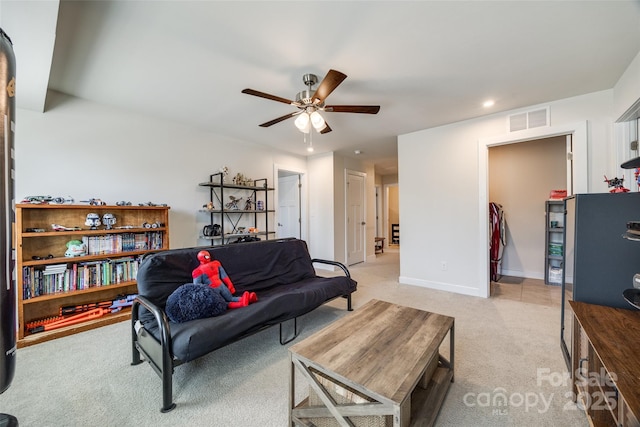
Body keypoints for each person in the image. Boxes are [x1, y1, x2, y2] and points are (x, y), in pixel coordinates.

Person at [192, 250, 257, 308]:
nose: (208, 258)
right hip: (212, 290)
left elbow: (224, 275)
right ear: (201, 258)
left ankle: (249, 298)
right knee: (222, 303)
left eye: (208, 256)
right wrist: (205, 297)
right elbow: (197, 287)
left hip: (221, 285)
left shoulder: (216, 263)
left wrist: (230, 284)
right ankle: (241, 304)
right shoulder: (197, 271)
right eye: (206, 257)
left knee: (230, 298)